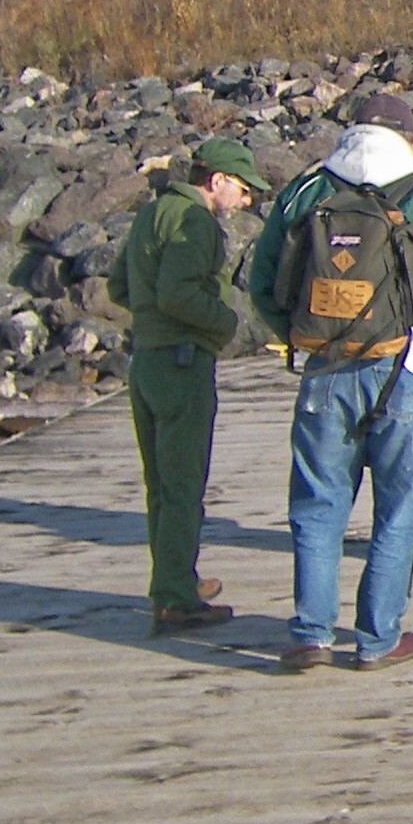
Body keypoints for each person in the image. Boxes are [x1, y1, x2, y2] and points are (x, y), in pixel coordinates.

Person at [246, 89, 413, 674]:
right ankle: (378, 638)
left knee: (317, 504)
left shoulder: (306, 191)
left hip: (324, 370)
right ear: (410, 139)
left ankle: (310, 633)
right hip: (405, 366)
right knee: (396, 509)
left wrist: (304, 336)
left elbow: (262, 285)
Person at [112, 136, 269, 631]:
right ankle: (177, 598)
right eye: (242, 189)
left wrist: (150, 317)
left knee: (160, 486)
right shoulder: (195, 221)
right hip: (182, 364)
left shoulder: (151, 213)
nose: (245, 201)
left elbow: (118, 286)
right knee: (183, 486)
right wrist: (225, 323)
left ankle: (173, 578)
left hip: (146, 361)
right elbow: (178, 295)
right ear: (216, 180)